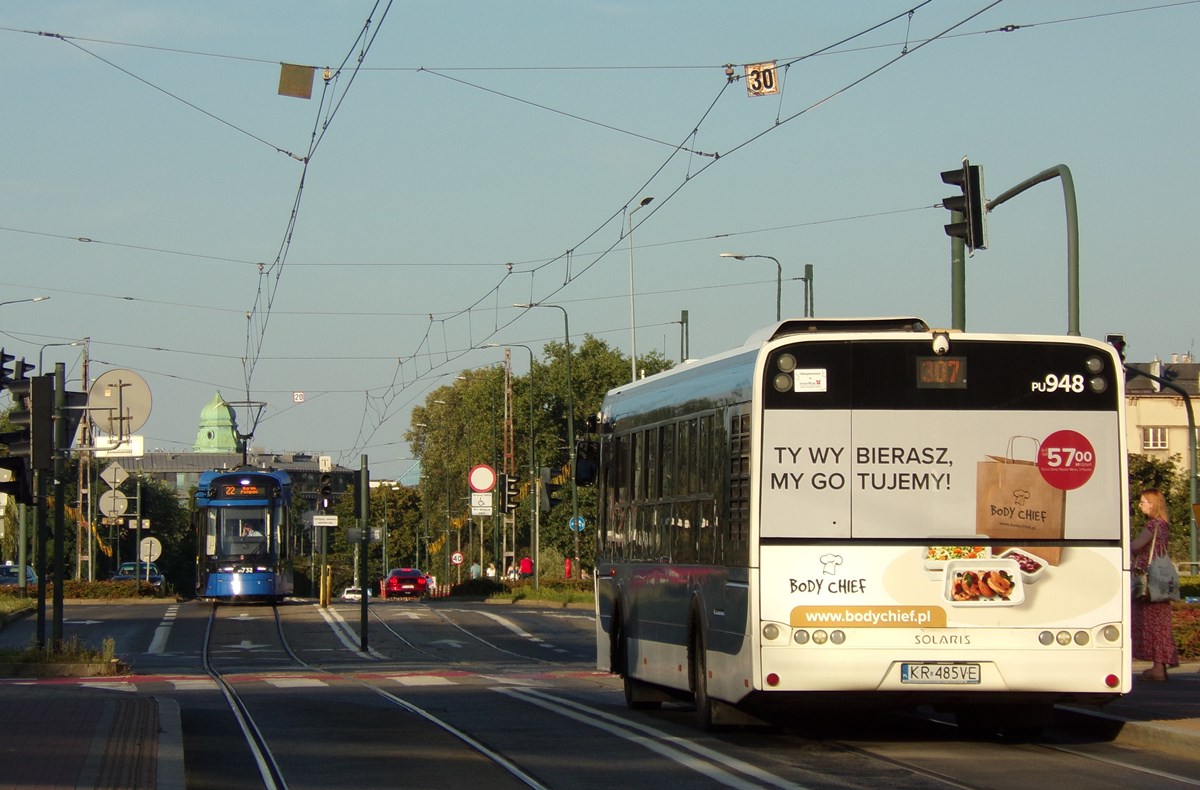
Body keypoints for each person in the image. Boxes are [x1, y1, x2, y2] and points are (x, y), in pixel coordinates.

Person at [1131, 488, 1179, 681]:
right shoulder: (1164, 524)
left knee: (1149, 622)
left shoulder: (1152, 525)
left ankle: (1158, 668)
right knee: (1160, 622)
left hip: (1148, 581)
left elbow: (1135, 546)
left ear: (1152, 503)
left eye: (1143, 501)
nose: (1140, 505)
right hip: (1160, 580)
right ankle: (1160, 665)